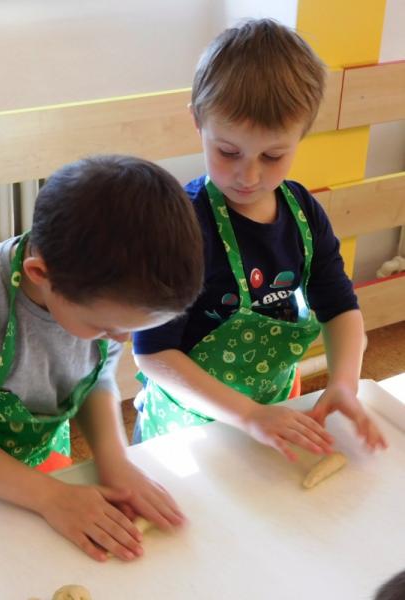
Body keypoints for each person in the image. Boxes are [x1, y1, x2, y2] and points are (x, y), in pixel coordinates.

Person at [0, 155, 204, 599]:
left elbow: (96, 378)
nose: (120, 340)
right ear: (39, 274)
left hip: (32, 459)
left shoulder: (99, 294)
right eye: (106, 328)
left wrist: (114, 461)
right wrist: (51, 497)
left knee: (26, 571)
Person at [132, 18, 387, 460]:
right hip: (189, 428)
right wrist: (248, 415)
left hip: (274, 412)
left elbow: (340, 308)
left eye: (273, 155)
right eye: (228, 152)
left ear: (301, 136)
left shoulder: (304, 213)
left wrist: (344, 383)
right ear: (198, 121)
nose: (248, 176)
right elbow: (154, 354)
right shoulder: (181, 226)